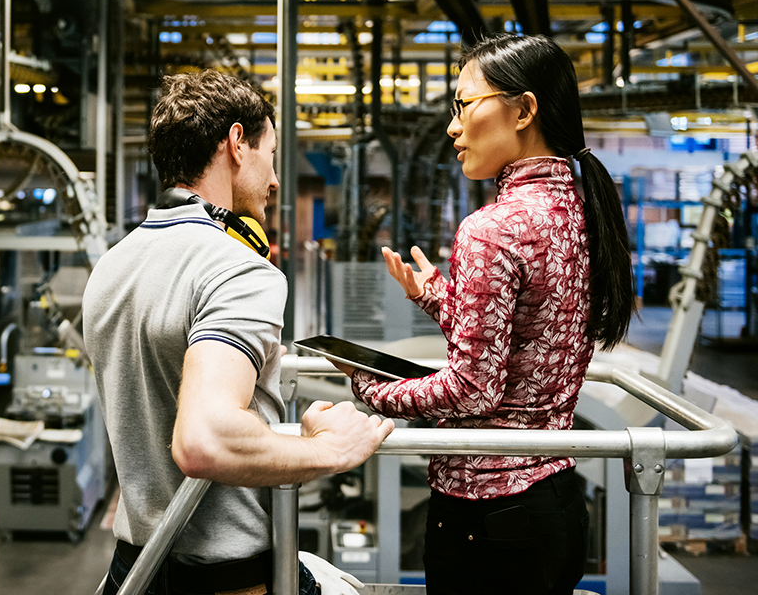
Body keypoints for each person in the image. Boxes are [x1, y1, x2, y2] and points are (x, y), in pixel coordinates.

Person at [336, 34, 635, 595]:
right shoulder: (578, 210)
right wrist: (437, 297)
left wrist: (372, 390)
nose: (452, 127)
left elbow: (474, 389)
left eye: (463, 105)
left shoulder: (491, 228)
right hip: (553, 506)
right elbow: (524, 346)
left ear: (523, 110)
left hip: (487, 523)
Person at [83, 70, 394, 595]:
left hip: (136, 569)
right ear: (236, 144)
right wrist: (331, 451)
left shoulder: (112, 267)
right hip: (229, 579)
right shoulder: (240, 270)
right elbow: (205, 439)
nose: (275, 181)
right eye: (270, 155)